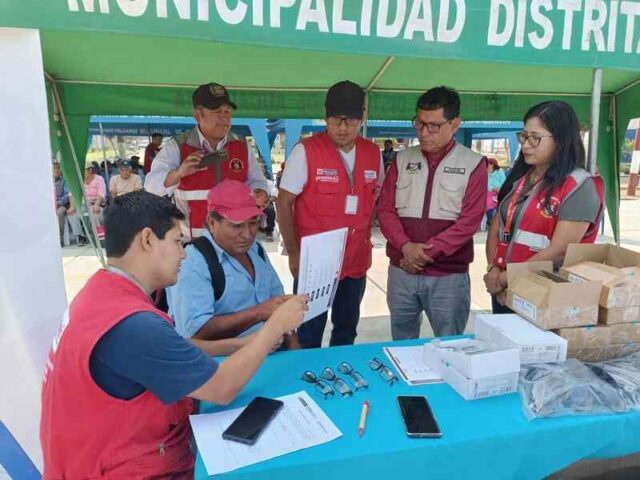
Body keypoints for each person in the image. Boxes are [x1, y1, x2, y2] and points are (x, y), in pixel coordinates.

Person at [40, 191, 306, 479]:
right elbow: (222, 388)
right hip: (122, 467)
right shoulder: (135, 325)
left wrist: (245, 344)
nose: (183, 253)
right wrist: (274, 326)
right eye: (178, 242)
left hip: (95, 455)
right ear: (147, 240)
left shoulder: (102, 293)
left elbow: (175, 348)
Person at [276, 80, 385, 349]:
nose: (343, 128)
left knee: (346, 331)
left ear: (362, 119)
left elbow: (377, 196)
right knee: (308, 334)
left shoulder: (373, 153)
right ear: (325, 117)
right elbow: (283, 203)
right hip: (315, 265)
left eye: (351, 121)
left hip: (356, 263)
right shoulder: (306, 151)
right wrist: (293, 252)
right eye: (336, 120)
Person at [378, 86, 487, 339]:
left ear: (455, 124)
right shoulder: (402, 159)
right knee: (401, 343)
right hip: (402, 270)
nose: (424, 133)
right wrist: (405, 247)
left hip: (448, 276)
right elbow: (385, 210)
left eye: (433, 126)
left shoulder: (473, 164)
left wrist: (423, 253)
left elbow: (468, 222)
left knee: (449, 345)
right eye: (419, 124)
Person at [484, 101, 604, 313]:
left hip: (542, 295)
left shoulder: (578, 186)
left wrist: (504, 278)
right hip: (503, 289)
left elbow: (559, 251)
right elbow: (497, 228)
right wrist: (493, 270)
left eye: (535, 138)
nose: (526, 145)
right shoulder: (521, 178)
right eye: (523, 136)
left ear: (561, 140)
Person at [168, 179, 298, 347]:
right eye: (236, 226)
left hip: (268, 356)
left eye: (253, 223)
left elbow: (278, 304)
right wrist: (259, 313)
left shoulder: (256, 250)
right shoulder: (193, 261)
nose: (247, 234)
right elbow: (195, 333)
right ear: (212, 222)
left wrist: (295, 352)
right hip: (222, 366)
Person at [145, 83, 269, 239]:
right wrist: (178, 173)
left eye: (227, 111)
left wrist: (260, 191)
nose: (224, 117)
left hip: (235, 241)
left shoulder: (241, 145)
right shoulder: (178, 147)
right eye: (217, 111)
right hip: (194, 244)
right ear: (198, 115)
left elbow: (257, 180)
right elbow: (151, 187)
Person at [68, 163, 107, 243]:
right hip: (83, 203)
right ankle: (80, 236)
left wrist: (96, 204)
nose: (81, 172)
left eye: (84, 170)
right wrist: (72, 206)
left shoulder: (99, 179)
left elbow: (101, 194)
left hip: (96, 202)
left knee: (96, 213)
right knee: (72, 214)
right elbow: (71, 194)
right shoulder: (78, 179)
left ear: (90, 170)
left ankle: (100, 238)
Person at [53, 162, 70, 247]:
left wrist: (58, 203)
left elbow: (67, 195)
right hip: (51, 205)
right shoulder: (47, 181)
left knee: (59, 213)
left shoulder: (64, 180)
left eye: (58, 168)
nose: (56, 170)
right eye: (54, 168)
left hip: (62, 205)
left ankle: (60, 240)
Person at [486, 157, 506, 225]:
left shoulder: (499, 172)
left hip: (498, 193)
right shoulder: (485, 173)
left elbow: (503, 186)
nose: (486, 166)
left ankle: (492, 220)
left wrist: (493, 188)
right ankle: (490, 220)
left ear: (492, 165)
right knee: (487, 202)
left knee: (490, 202)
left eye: (487, 164)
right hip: (488, 193)